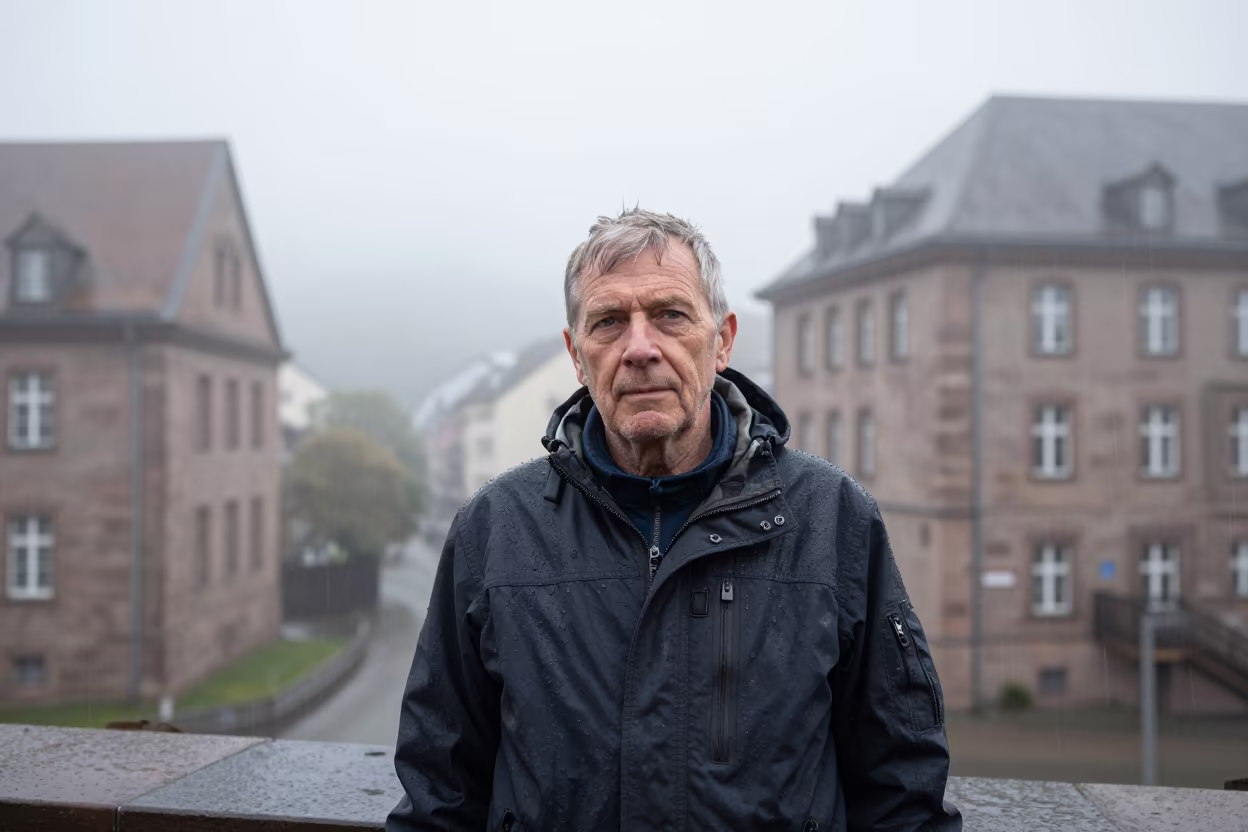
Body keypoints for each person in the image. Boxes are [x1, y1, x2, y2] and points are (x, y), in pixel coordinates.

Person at [388, 209, 961, 831]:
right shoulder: (496, 530)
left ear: (723, 340)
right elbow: (439, 790)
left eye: (671, 315)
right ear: (577, 355)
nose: (639, 348)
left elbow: (901, 788)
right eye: (608, 322)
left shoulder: (832, 519)